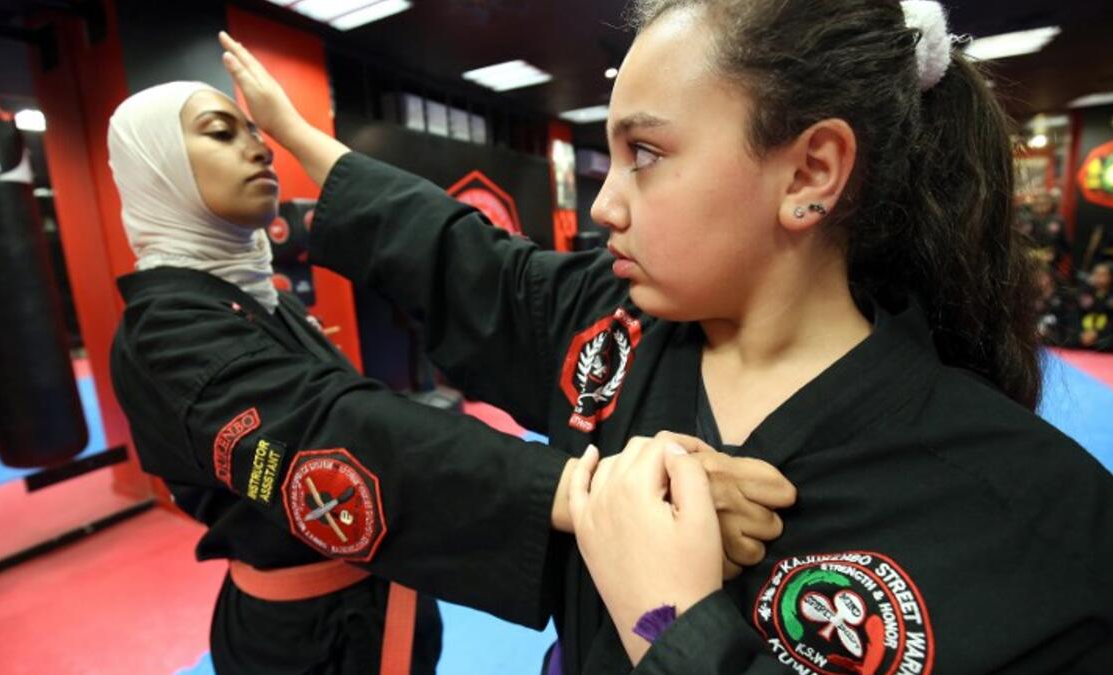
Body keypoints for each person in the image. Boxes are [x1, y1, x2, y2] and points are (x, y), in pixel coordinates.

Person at [216, 0, 1113, 671]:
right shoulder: (607, 327)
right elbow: (453, 254)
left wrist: (671, 618)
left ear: (810, 172)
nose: (606, 202)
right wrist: (298, 135)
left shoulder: (1038, 524)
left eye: (645, 154)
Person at [106, 79, 794, 673]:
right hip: (297, 639)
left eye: (257, 131)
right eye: (221, 132)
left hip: (381, 595)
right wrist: (604, 494)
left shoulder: (258, 298)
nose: (256, 147)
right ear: (155, 166)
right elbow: (333, 426)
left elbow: (482, 272)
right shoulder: (162, 333)